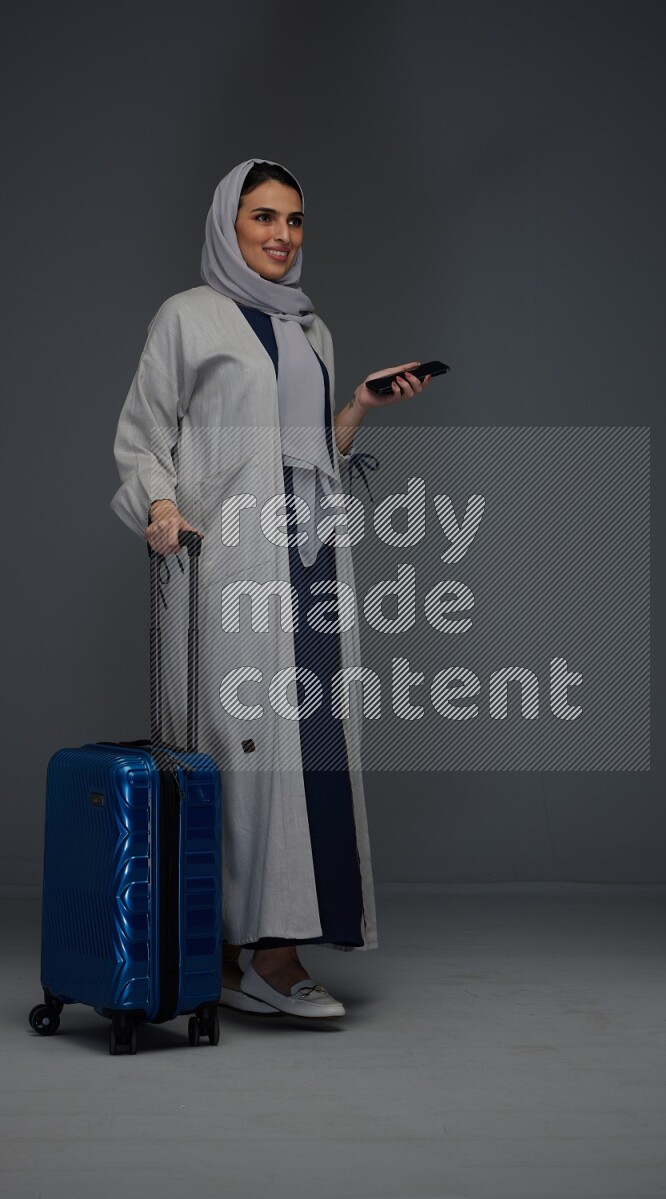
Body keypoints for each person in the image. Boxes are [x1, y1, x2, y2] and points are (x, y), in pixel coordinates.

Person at [110, 158, 432, 1020]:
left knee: (310, 746)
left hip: (309, 553)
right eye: (263, 217)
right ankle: (249, 953)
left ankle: (270, 947)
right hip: (227, 560)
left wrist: (358, 401)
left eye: (294, 220)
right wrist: (163, 505)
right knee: (238, 749)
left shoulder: (312, 330)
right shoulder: (188, 317)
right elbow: (142, 436)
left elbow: (306, 450)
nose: (282, 236)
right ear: (228, 223)